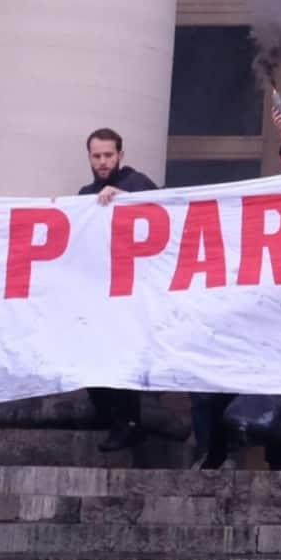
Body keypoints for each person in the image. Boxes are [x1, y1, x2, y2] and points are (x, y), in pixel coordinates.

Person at [78, 129, 159, 451]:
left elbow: (163, 205)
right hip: (98, 292)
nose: (102, 162)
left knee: (120, 357)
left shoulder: (138, 183)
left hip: (131, 292)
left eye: (108, 155)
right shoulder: (84, 194)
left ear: (120, 156)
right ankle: (112, 417)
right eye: (96, 156)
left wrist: (125, 197)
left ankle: (128, 423)